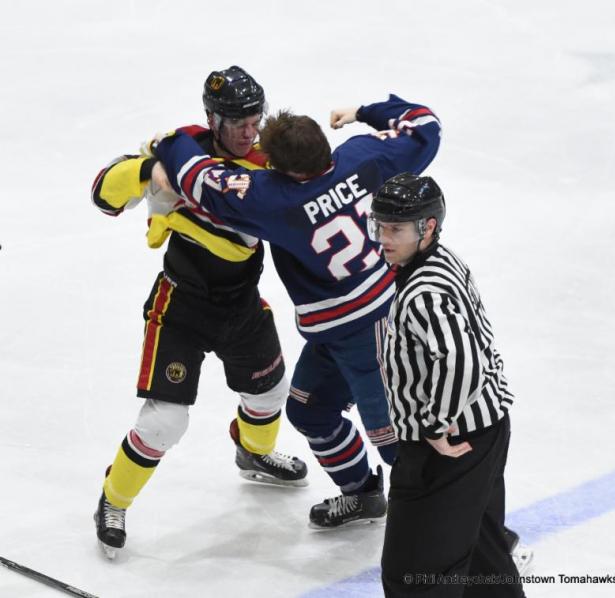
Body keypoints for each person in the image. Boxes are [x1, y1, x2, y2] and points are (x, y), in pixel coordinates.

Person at [150, 93, 441, 528]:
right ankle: (362, 494)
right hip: (340, 331)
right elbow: (425, 124)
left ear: (282, 171)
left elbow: (199, 179)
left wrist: (169, 142)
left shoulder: (275, 199)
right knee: (310, 411)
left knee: (397, 443)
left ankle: (482, 536)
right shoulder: (362, 156)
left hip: (371, 335)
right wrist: (363, 112)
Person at [90, 66, 307, 559]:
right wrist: (146, 173)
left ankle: (252, 453)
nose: (250, 130)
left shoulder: (270, 161)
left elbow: (244, 242)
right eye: (238, 123)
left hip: (241, 304)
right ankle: (113, 499)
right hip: (181, 305)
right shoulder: (179, 147)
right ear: (212, 119)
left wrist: (175, 214)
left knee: (270, 390)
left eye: (256, 118)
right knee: (165, 422)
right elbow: (102, 193)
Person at [370, 173, 526, 597]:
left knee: (414, 572)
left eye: (396, 229)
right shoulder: (439, 260)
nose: (384, 238)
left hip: (452, 444)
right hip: (486, 427)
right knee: (481, 556)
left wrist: (436, 425)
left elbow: (462, 361)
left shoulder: (424, 292)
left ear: (429, 228)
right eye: (379, 226)